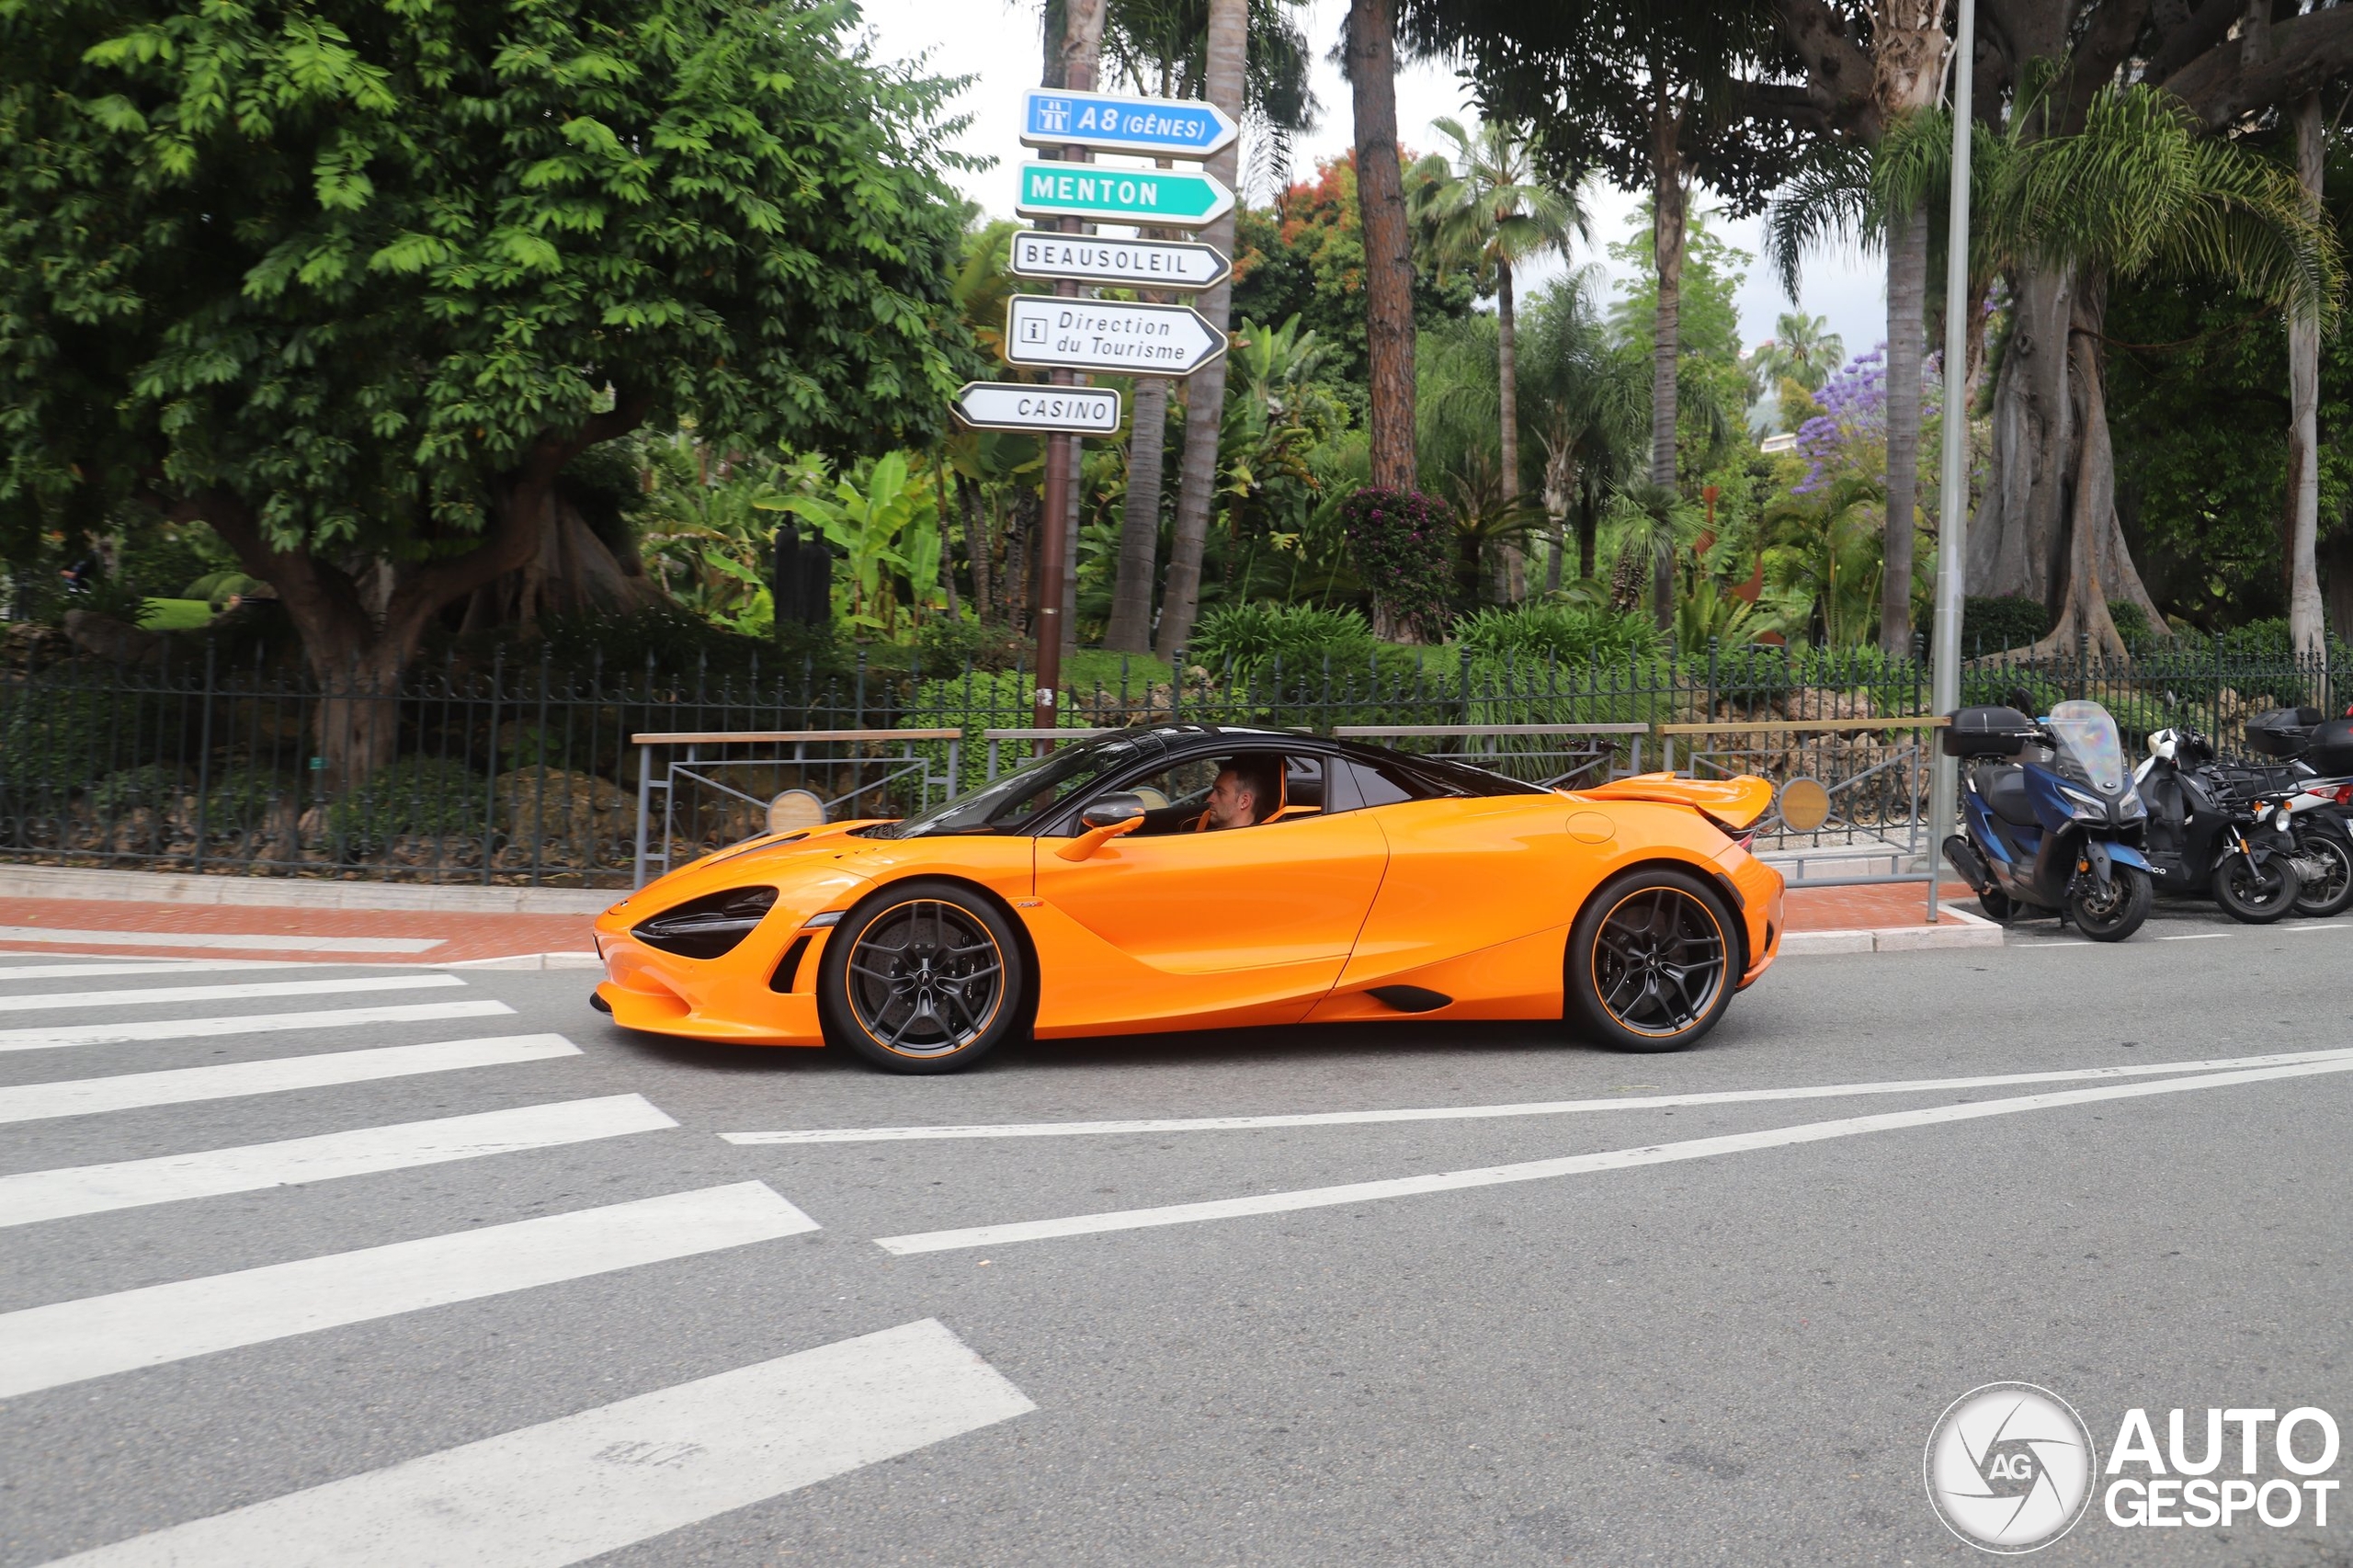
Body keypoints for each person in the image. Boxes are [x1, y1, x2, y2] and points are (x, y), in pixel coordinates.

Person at [1202, 755, 1282, 831]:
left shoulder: (1255, 843)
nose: (1209, 799)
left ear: (1244, 801)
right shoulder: (1208, 829)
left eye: (1220, 792)